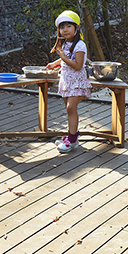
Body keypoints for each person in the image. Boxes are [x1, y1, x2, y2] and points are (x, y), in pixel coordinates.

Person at [45, 10, 91, 153]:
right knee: (69, 109)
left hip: (77, 80)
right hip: (66, 80)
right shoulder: (66, 44)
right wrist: (55, 63)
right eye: (62, 27)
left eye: (68, 26)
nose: (65, 30)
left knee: (71, 108)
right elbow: (66, 57)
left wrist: (63, 58)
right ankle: (73, 137)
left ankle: (71, 140)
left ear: (76, 28)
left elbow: (77, 65)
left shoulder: (80, 45)